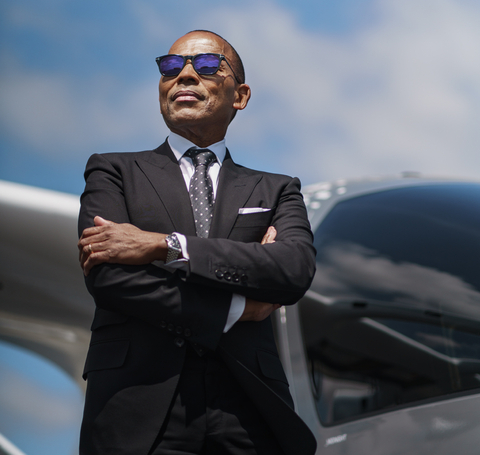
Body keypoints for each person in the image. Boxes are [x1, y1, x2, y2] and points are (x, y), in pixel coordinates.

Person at [77, 30, 317, 455]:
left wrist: (164, 246)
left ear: (239, 96)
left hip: (250, 406)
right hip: (138, 405)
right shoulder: (112, 171)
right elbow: (110, 275)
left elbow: (292, 269)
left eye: (206, 66)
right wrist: (238, 307)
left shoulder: (277, 190)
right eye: (171, 67)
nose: (185, 75)